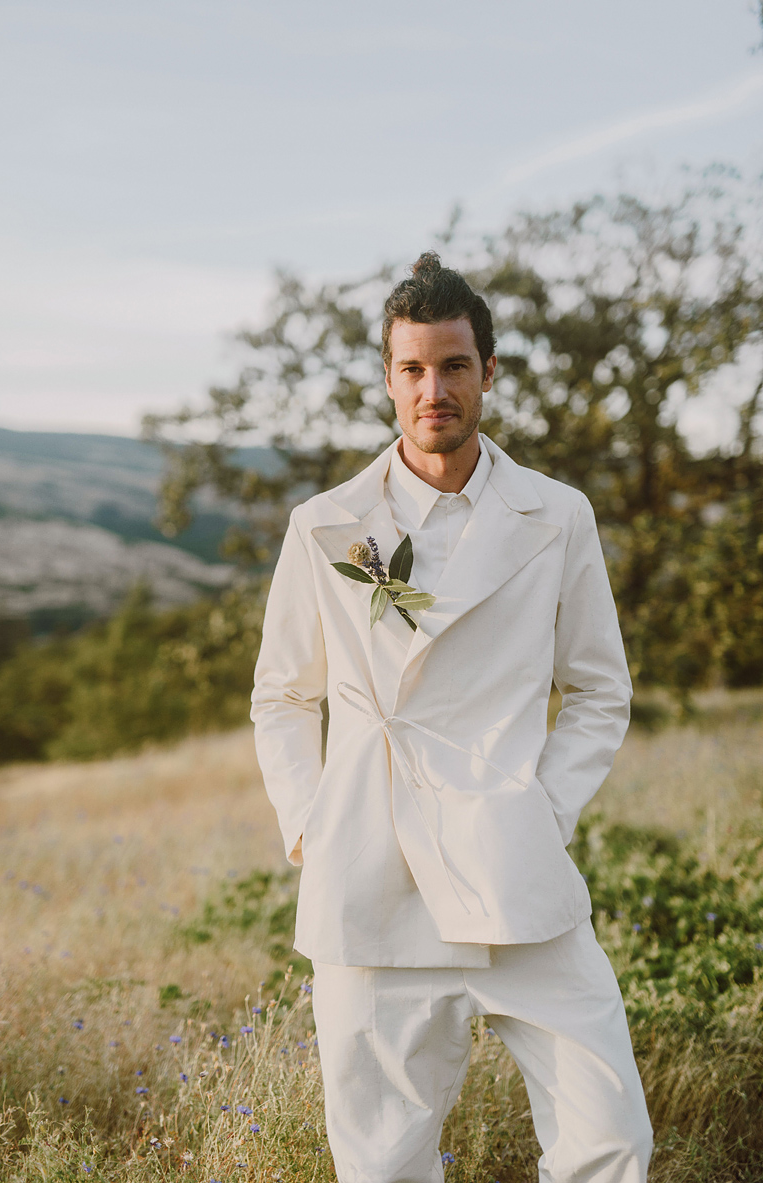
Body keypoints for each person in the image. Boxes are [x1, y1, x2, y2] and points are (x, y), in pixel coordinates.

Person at [250, 253, 652, 1182]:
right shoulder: (324, 522)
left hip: (512, 867)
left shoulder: (557, 515)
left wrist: (544, 810)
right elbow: (283, 692)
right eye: (414, 369)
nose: (436, 389)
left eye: (455, 366)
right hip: (370, 880)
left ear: (489, 371)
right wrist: (308, 817)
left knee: (611, 1140)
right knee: (384, 1166)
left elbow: (599, 688)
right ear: (389, 379)